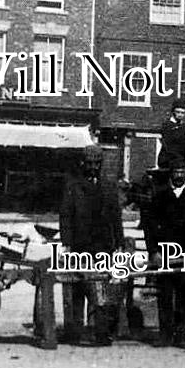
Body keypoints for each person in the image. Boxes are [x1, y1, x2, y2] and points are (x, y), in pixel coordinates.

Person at [59, 144, 123, 346]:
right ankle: (75, 332)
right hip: (80, 245)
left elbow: (116, 217)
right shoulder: (73, 186)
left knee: (100, 289)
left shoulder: (109, 187)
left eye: (97, 163)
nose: (93, 167)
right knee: (77, 289)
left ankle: (100, 333)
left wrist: (119, 243)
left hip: (103, 246)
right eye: (89, 163)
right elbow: (65, 216)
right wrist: (66, 243)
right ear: (82, 163)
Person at [148, 165, 185, 349]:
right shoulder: (160, 197)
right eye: (175, 172)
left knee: (184, 295)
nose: (178, 176)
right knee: (164, 295)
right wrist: (153, 251)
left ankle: (180, 335)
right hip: (164, 253)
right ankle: (164, 335)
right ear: (170, 175)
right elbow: (150, 226)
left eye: (182, 173)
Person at [157, 97, 185, 171]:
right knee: (180, 166)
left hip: (183, 159)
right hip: (168, 159)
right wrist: (182, 159)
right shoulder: (167, 126)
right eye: (178, 112)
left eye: (182, 113)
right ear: (173, 112)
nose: (180, 115)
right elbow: (169, 146)